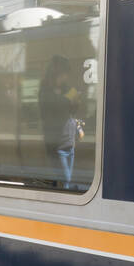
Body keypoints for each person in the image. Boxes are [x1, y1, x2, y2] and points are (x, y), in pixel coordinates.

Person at [39, 57, 83, 189]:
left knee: (67, 178)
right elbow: (58, 104)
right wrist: (70, 99)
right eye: (64, 74)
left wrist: (75, 102)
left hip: (69, 142)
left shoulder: (66, 89)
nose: (66, 78)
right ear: (56, 74)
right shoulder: (45, 92)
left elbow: (72, 110)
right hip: (56, 144)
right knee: (65, 179)